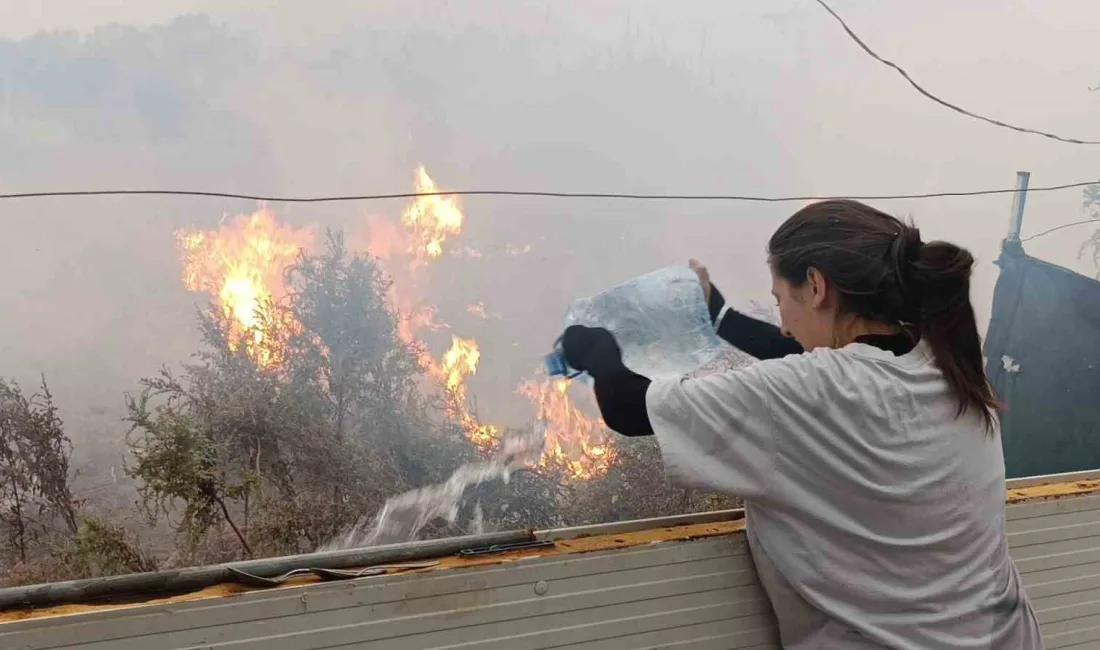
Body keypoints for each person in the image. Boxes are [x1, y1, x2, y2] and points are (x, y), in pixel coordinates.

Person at [561, 199, 1043, 649]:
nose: (786, 324)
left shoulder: (811, 393)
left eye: (780, 300)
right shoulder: (946, 362)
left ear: (815, 286)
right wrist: (720, 316)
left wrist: (596, 344)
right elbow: (818, 363)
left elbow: (627, 407)